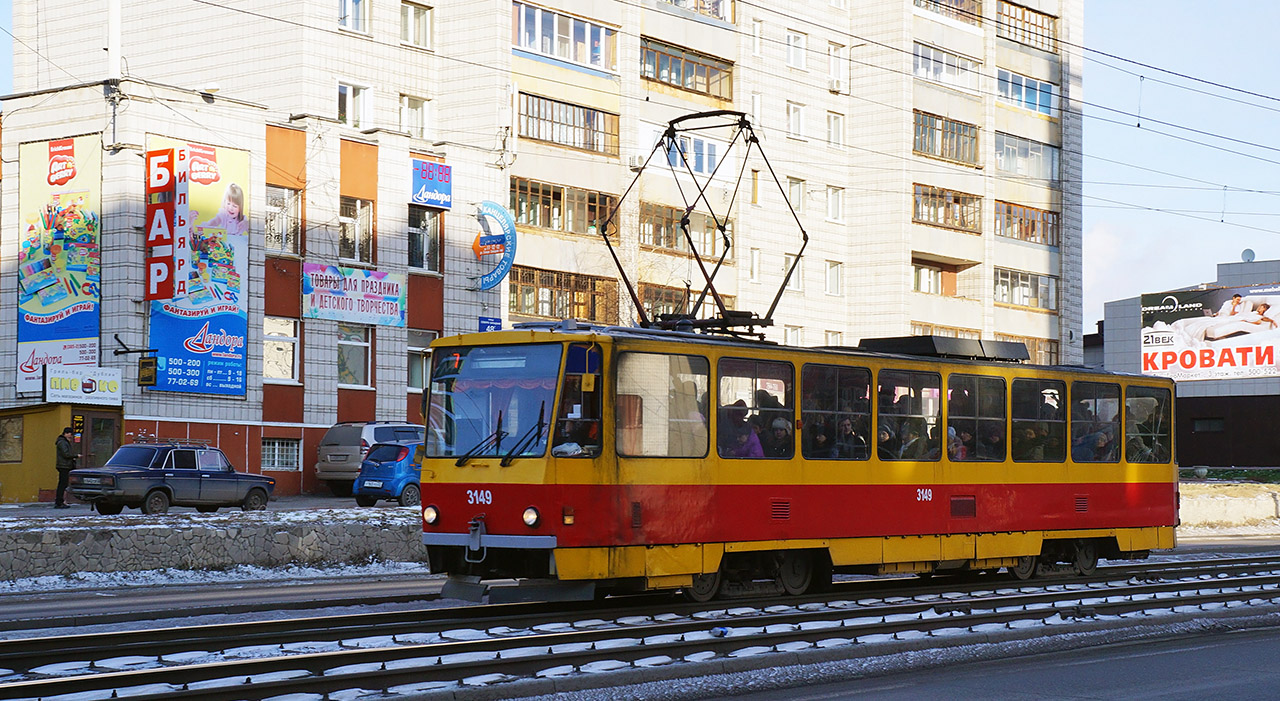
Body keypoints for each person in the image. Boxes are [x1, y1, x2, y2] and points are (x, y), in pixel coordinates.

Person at [54, 426, 76, 508]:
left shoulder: (63, 441)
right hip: (64, 465)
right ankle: (59, 502)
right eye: (70, 434)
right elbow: (66, 454)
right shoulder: (63, 442)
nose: (71, 436)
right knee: (62, 484)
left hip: (64, 465)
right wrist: (76, 456)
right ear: (66, 433)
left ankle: (60, 501)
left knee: (63, 484)